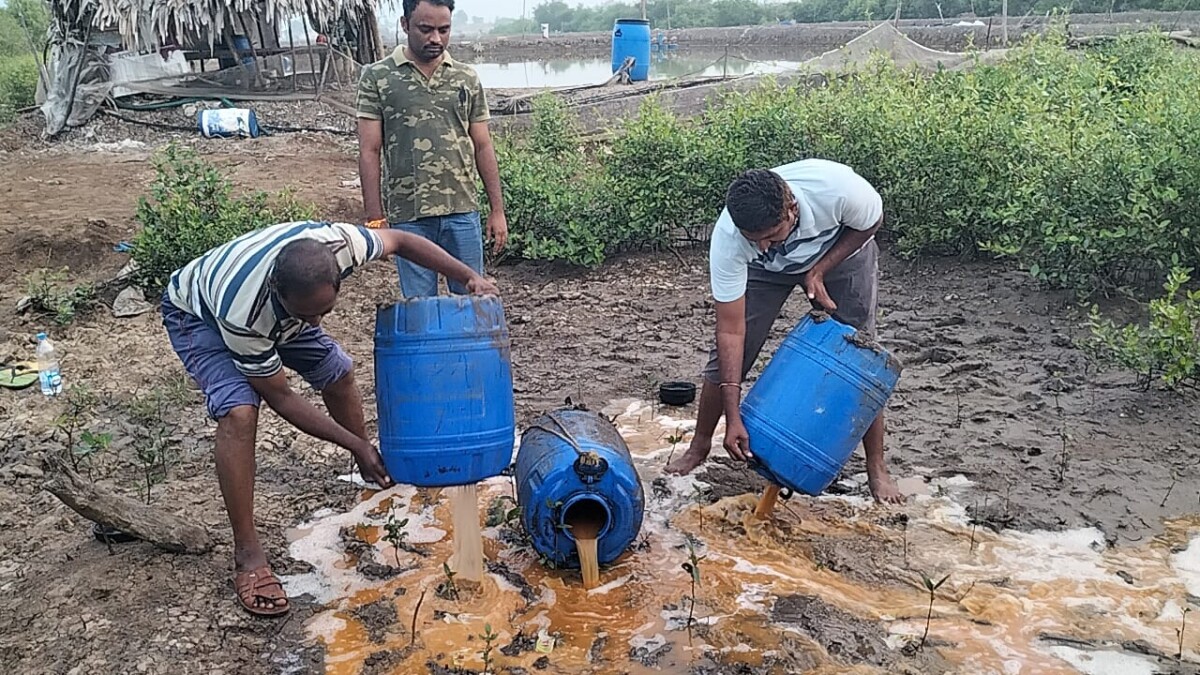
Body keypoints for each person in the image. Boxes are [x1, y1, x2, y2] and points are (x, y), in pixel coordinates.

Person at [161, 220, 498, 617]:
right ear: (278, 292)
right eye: (307, 314)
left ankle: (370, 474)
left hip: (275, 311)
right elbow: (281, 397)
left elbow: (404, 240)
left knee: (338, 371)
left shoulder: (340, 246)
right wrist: (356, 441)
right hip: (199, 315)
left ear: (337, 279)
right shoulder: (244, 314)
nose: (316, 324)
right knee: (239, 411)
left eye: (325, 311)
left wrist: (469, 276)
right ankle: (248, 555)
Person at [665, 159, 903, 504]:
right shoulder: (732, 239)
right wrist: (733, 418)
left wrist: (820, 269)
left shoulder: (837, 189)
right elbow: (731, 331)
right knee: (728, 359)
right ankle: (699, 447)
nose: (762, 245)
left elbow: (870, 223)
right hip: (765, 273)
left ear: (791, 208)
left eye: (770, 236)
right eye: (754, 239)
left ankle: (877, 468)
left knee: (858, 356)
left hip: (839, 252)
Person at [355, 0, 507, 298]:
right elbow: (369, 151)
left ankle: (468, 347)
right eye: (425, 29)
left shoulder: (466, 77)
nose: (435, 38)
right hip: (409, 217)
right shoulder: (378, 78)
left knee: (472, 297)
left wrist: (497, 210)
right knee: (419, 304)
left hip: (461, 211)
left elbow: (483, 145)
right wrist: (375, 219)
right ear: (404, 24)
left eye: (443, 29)